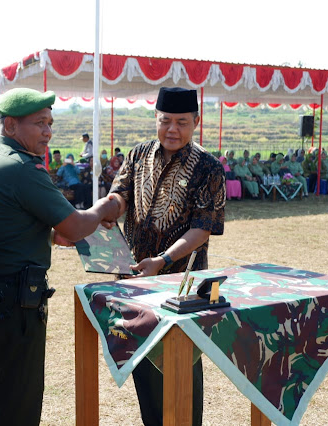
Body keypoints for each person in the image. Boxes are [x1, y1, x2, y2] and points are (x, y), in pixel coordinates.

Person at [0, 87, 121, 426]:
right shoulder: (21, 168)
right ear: (10, 126)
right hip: (11, 301)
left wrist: (48, 234)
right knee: (15, 406)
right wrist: (105, 207)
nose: (48, 132)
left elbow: (3, 222)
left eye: (50, 123)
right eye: (39, 123)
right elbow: (77, 226)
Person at [110, 87, 225, 426]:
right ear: (155, 119)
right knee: (143, 366)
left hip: (183, 288)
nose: (172, 130)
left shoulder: (208, 168)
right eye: (165, 121)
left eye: (182, 122)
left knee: (182, 370)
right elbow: (120, 196)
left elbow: (202, 228)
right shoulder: (137, 155)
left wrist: (161, 260)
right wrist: (98, 212)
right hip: (135, 284)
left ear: (196, 123)